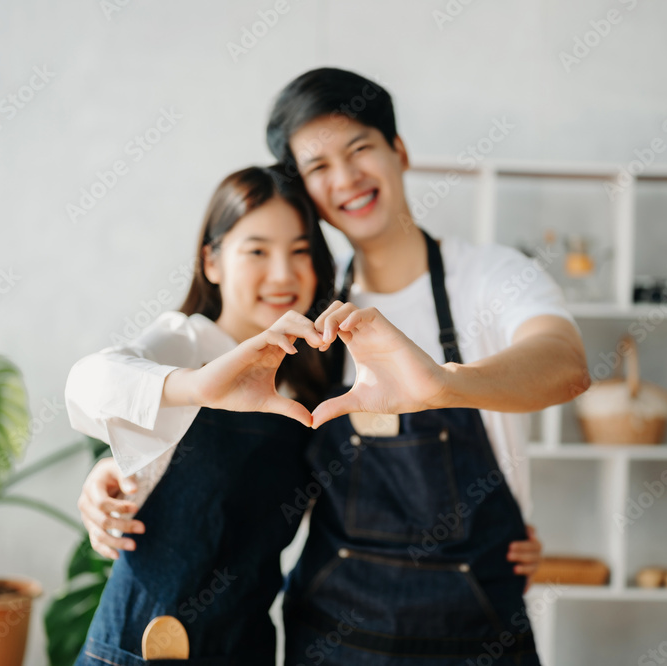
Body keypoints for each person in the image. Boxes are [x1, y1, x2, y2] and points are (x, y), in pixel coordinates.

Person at [265, 68, 590, 665]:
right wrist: (131, 480)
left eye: (360, 148)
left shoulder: (492, 276)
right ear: (303, 191)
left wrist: (446, 384)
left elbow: (565, 362)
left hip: (477, 634)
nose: (345, 179)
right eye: (318, 167)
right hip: (333, 639)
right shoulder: (302, 305)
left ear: (400, 151)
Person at [66, 164, 338, 665]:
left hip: (246, 648)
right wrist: (196, 385)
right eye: (257, 250)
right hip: (134, 648)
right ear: (211, 261)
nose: (283, 274)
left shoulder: (314, 384)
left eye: (300, 251)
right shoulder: (185, 342)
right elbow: (89, 382)